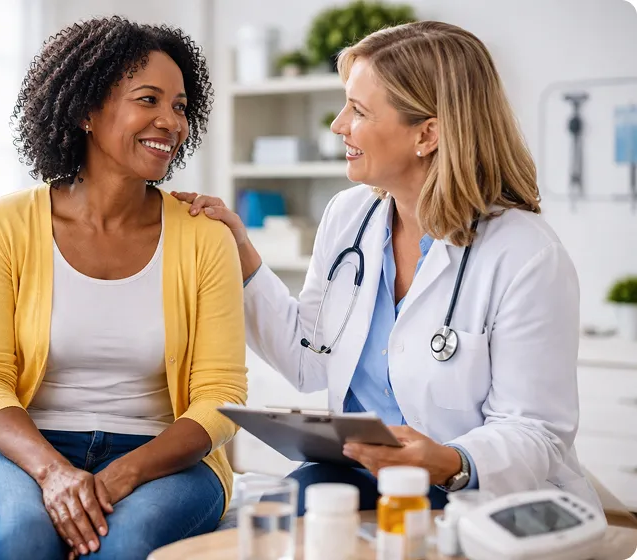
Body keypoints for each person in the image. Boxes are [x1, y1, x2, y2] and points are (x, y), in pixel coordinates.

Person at [173, 20, 601, 515]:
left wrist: (447, 461)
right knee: (283, 518)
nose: (337, 126)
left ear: (428, 134)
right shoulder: (348, 217)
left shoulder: (525, 255)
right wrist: (241, 253)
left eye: (357, 110)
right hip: (356, 475)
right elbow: (310, 359)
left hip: (474, 494)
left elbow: (536, 431)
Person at [0, 17, 247, 560]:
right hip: (18, 449)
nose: (171, 121)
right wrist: (53, 474)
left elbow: (222, 397)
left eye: (181, 106)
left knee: (122, 544)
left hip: (160, 454)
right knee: (22, 535)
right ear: (85, 111)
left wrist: (118, 478)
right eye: (149, 100)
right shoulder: (4, 226)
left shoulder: (203, 237)